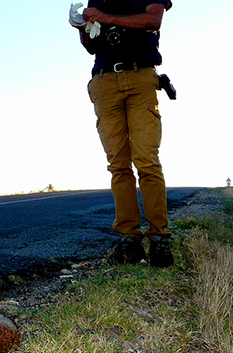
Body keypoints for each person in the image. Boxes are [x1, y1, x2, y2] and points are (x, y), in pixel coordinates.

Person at [70, 0, 174, 267]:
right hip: (104, 81)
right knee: (118, 164)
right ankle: (130, 238)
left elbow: (153, 20)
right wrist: (81, 25)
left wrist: (104, 17)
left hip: (140, 76)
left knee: (146, 158)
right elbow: (92, 46)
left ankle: (159, 237)